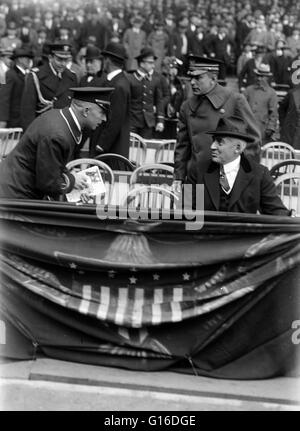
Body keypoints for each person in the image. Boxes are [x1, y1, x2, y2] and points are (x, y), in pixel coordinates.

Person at [0, 87, 113, 200]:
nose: (104, 119)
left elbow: (53, 165)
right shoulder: (57, 134)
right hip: (15, 196)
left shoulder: (60, 118)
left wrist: (75, 183)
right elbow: (47, 183)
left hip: (17, 189)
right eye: (102, 112)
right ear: (86, 111)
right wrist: (72, 182)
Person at [173, 55, 261, 191]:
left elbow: (253, 139)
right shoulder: (187, 106)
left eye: (198, 78)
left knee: (221, 213)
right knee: (191, 212)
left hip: (227, 180)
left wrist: (243, 173)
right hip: (195, 180)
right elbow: (182, 146)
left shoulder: (235, 100)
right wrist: (178, 177)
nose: (192, 82)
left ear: (213, 78)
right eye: (191, 77)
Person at [192, 116, 290, 215]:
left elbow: (276, 211)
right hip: (205, 230)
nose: (212, 146)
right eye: (213, 140)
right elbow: (185, 212)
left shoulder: (260, 174)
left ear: (238, 148)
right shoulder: (197, 170)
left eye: (220, 142)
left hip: (244, 230)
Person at [20, 42, 78, 131]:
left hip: (64, 131)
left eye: (66, 60)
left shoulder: (72, 77)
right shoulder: (36, 76)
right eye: (59, 59)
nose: (63, 64)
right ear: (50, 57)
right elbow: (27, 111)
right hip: (42, 130)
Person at [89, 42, 131, 164]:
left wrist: (102, 145)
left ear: (107, 60)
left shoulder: (119, 85)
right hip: (108, 147)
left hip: (111, 148)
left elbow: (115, 120)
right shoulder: (114, 81)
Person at [126, 47, 164, 139]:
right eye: (150, 63)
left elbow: (159, 101)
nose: (153, 66)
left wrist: (160, 121)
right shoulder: (130, 79)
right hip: (132, 122)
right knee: (131, 149)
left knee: (146, 149)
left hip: (148, 123)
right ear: (142, 63)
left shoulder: (155, 80)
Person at [244, 63, 278, 144]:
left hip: (262, 128)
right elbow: (240, 107)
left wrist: (270, 128)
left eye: (262, 76)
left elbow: (273, 113)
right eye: (257, 76)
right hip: (247, 128)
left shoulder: (271, 93)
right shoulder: (248, 90)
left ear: (267, 78)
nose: (259, 78)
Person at [0, 47, 34, 128]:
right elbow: (4, 99)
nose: (29, 61)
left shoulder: (29, 75)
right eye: (27, 58)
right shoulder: (10, 74)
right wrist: (3, 120)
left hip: (27, 120)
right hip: (14, 121)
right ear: (20, 59)